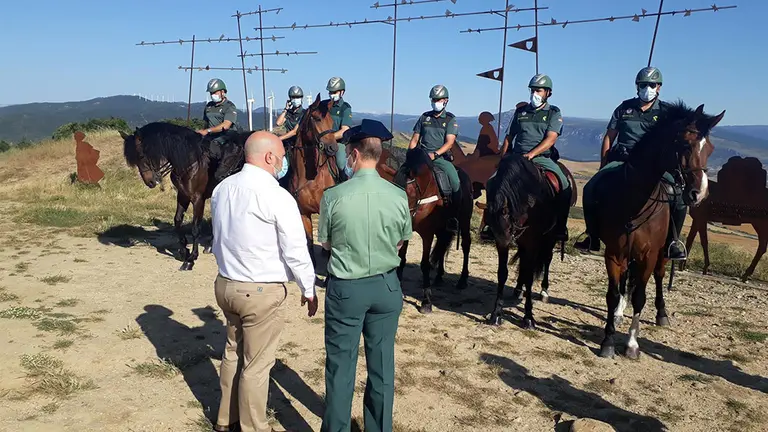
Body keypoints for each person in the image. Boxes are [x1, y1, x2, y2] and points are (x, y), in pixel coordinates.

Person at [210, 131, 317, 432]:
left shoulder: (222, 189)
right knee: (256, 364)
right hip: (261, 291)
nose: (283, 163)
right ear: (270, 157)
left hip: (226, 284)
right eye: (282, 157)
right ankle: (254, 426)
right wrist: (308, 288)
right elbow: (295, 249)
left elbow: (218, 237)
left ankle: (225, 418)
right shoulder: (278, 196)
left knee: (232, 351)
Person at [318, 119, 412, 432]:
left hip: (346, 288)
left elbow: (326, 243)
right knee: (382, 367)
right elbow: (400, 242)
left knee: (340, 367)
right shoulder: (398, 196)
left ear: (355, 154)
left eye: (347, 152)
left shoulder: (333, 196)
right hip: (386, 286)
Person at [574, 66, 687, 260]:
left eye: (651, 85)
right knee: (591, 187)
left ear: (659, 87)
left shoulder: (667, 112)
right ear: (637, 86)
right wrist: (603, 164)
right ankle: (592, 235)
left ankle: (672, 242)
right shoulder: (624, 108)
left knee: (678, 197)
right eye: (643, 85)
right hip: (622, 160)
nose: (647, 88)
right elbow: (609, 137)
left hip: (654, 167)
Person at [498, 74, 571, 241]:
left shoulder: (553, 112)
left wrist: (531, 154)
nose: (534, 94)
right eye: (532, 90)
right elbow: (509, 137)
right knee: (494, 182)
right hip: (516, 158)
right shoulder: (520, 112)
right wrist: (502, 158)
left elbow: (551, 138)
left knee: (564, 185)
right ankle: (491, 223)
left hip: (541, 158)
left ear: (548, 93)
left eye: (538, 90)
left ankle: (560, 226)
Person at [408, 84, 462, 232]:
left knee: (455, 181)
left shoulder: (450, 119)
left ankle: (453, 217)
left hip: (440, 158)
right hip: (421, 156)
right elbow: (415, 139)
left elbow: (449, 142)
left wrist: (435, 154)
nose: (435, 102)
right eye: (433, 99)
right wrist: (410, 154)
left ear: (446, 101)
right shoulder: (424, 117)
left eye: (438, 99)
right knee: (401, 175)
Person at [197, 78, 240, 181]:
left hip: (227, 136)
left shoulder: (229, 106)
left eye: (215, 92)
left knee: (215, 146)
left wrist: (208, 131)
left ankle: (219, 172)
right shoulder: (209, 106)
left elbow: (226, 125)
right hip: (210, 135)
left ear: (223, 92)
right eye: (211, 93)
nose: (213, 95)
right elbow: (206, 123)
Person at [326, 76, 354, 181]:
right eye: (330, 92)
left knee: (341, 162)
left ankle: (343, 182)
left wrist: (329, 137)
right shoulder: (324, 105)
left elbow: (344, 130)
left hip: (338, 143)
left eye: (334, 92)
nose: (331, 94)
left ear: (342, 92)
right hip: (321, 141)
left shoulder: (345, 108)